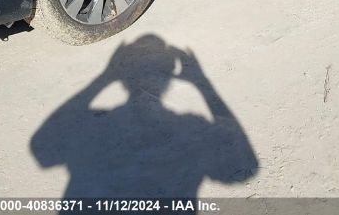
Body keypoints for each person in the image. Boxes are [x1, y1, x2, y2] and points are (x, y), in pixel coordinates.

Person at [31, 34, 258, 198]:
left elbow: (41, 148)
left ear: (122, 79)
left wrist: (104, 78)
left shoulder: (95, 124)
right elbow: (245, 165)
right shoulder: (190, 127)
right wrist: (202, 83)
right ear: (171, 79)